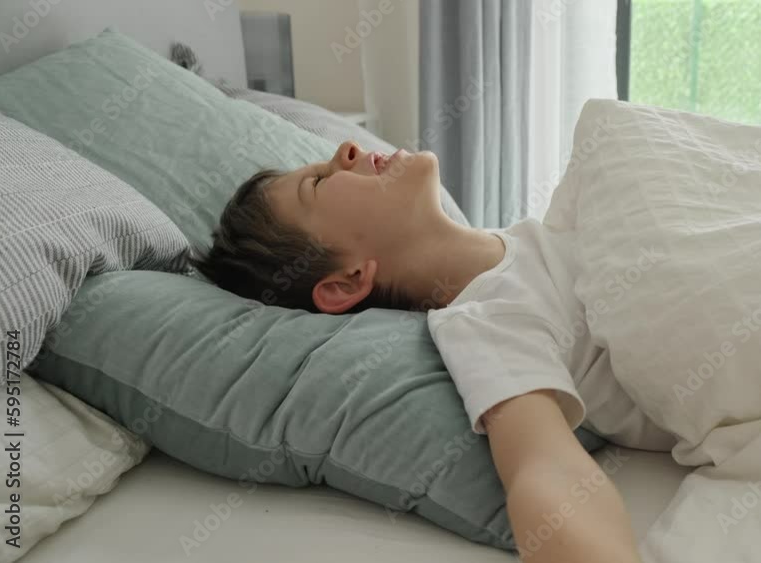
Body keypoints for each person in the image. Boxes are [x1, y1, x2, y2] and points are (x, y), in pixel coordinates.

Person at [191, 141, 669, 563]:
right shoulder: (484, 322)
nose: (346, 150)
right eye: (318, 182)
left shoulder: (541, 234)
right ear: (345, 282)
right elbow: (543, 467)